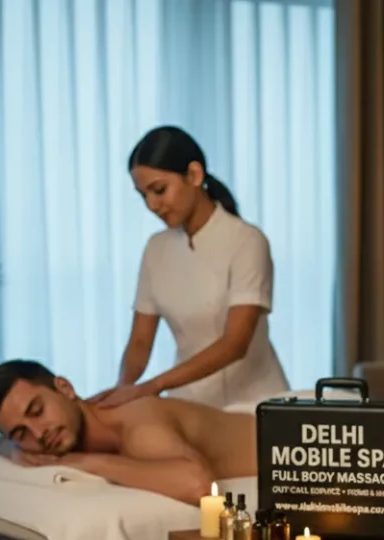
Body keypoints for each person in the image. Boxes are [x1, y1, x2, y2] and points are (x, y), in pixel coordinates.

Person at [92, 125, 290, 410]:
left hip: (253, 404)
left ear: (194, 175)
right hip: (190, 403)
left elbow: (235, 343)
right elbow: (139, 342)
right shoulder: (156, 249)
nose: (152, 204)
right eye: (143, 195)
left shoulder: (246, 241)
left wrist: (152, 386)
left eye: (159, 190)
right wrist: (121, 393)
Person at [0, 359, 256, 506]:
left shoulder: (137, 428)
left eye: (37, 411)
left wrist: (92, 463)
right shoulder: (36, 440)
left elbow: (200, 487)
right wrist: (14, 449)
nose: (38, 434)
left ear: (64, 388)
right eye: (21, 433)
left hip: (291, 449)